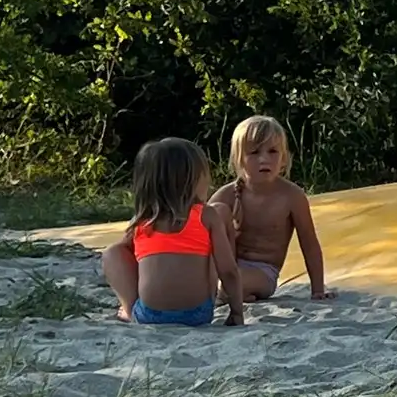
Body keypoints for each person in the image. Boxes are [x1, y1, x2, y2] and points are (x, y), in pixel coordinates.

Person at [101, 138, 247, 327]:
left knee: (112, 252)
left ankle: (130, 309)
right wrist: (237, 314)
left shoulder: (142, 220)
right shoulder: (206, 215)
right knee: (209, 250)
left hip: (150, 316)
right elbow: (228, 271)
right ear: (192, 180)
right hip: (198, 315)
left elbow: (121, 254)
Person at [211, 115, 332, 302]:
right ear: (239, 159)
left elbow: (309, 243)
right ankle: (234, 294)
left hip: (262, 271)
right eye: (254, 153)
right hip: (224, 265)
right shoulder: (226, 195)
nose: (264, 159)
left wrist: (317, 289)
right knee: (215, 211)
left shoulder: (292, 196)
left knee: (230, 284)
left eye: (272, 151)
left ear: (283, 158)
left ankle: (231, 293)